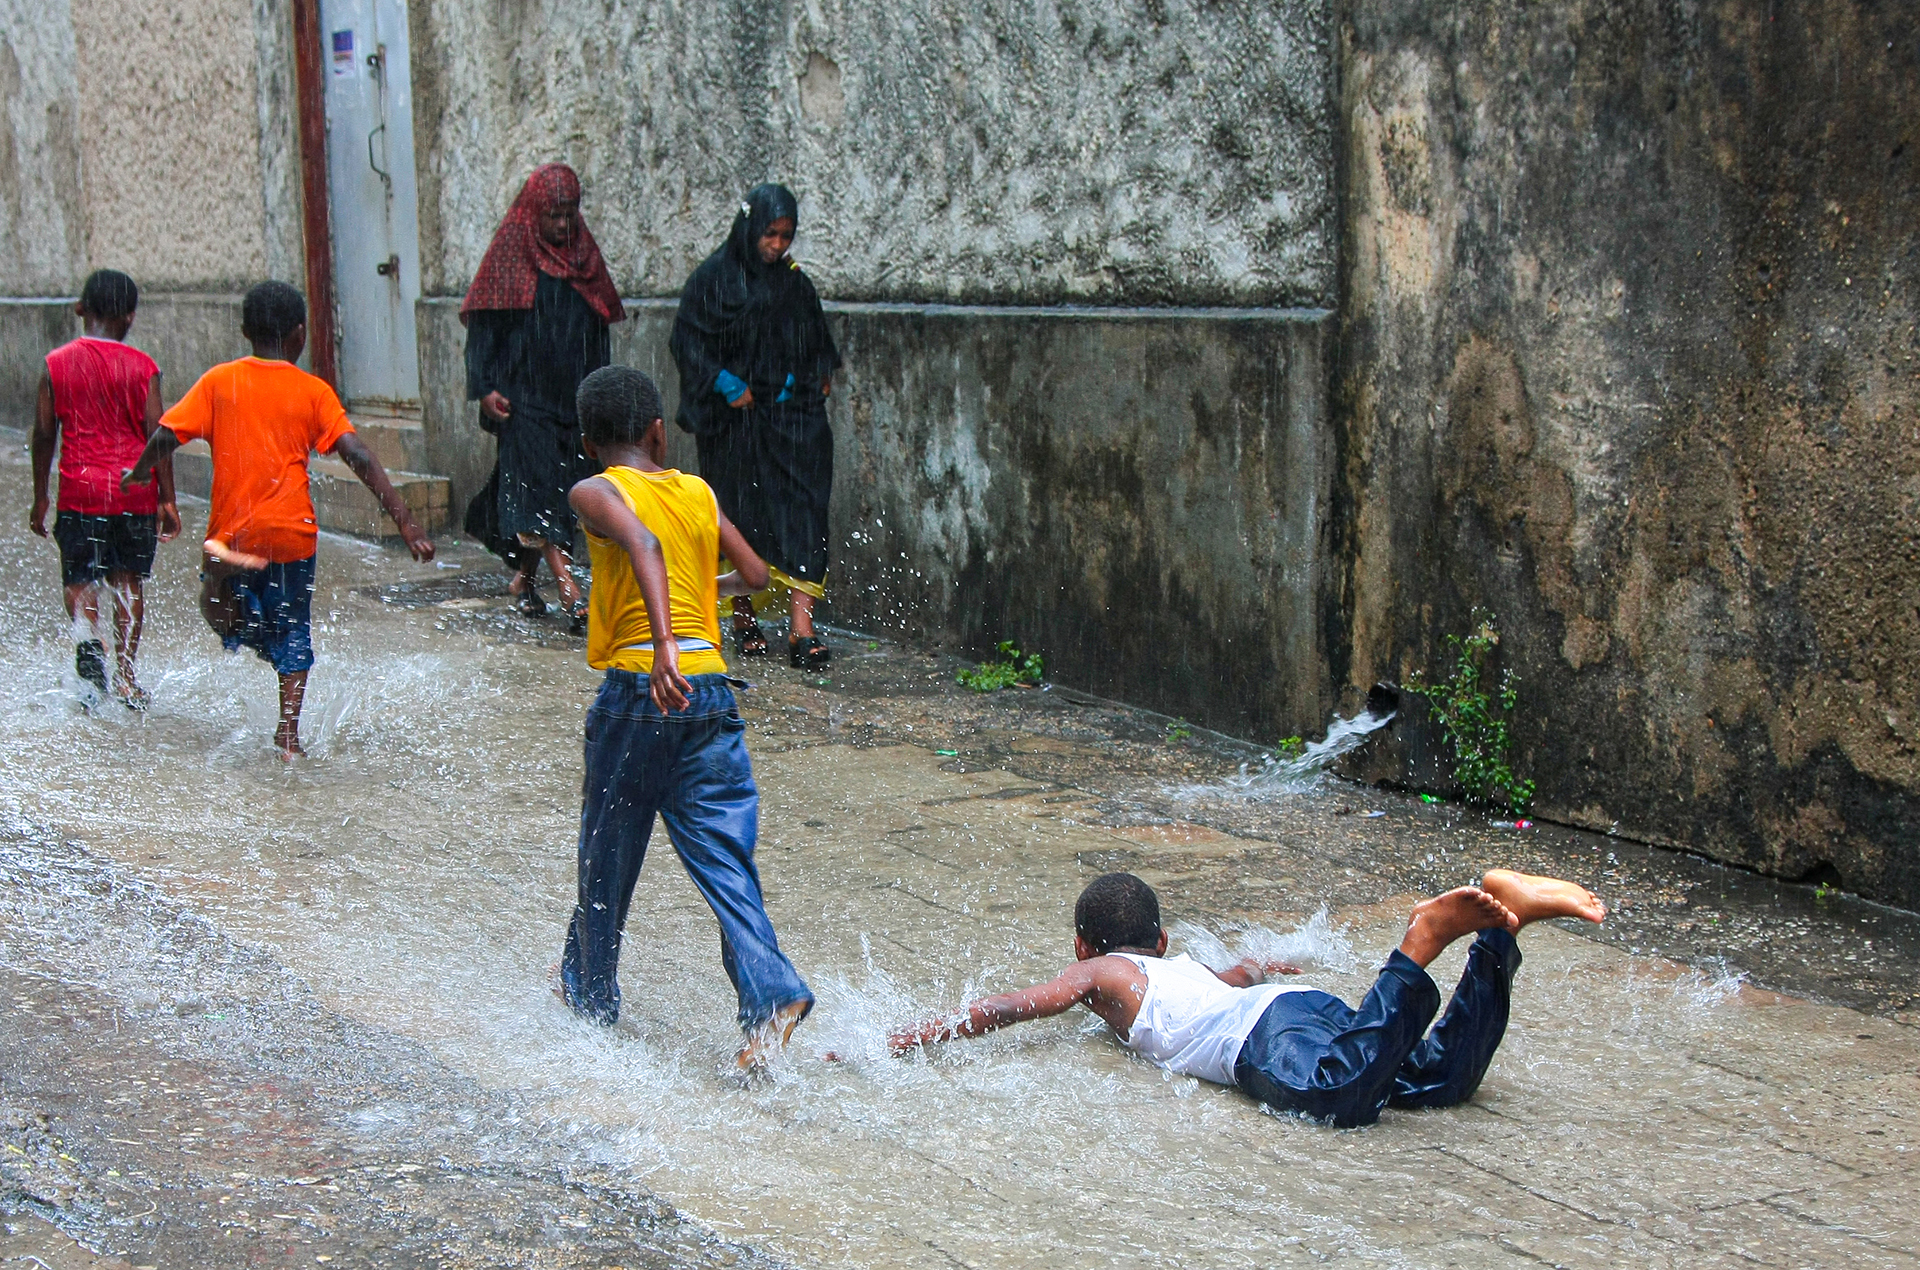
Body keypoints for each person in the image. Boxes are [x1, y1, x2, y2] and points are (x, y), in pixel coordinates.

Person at [889, 869, 1607, 1128]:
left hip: (1263, 1042)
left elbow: (1019, 1004)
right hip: (1299, 1005)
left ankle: (1421, 942)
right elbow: (1252, 968)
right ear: (1164, 940)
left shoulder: (1104, 975)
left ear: (1085, 948)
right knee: (1431, 1082)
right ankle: (1501, 931)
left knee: (1338, 1099)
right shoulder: (1190, 969)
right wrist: (1285, 955)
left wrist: (918, 1035)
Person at [558, 365, 814, 1073]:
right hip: (711, 690)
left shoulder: (594, 489)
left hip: (644, 688)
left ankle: (590, 999)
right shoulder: (697, 490)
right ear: (658, 433)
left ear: (589, 443)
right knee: (723, 858)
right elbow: (757, 577)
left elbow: (640, 544)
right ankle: (772, 994)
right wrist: (697, 604)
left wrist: (663, 642)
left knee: (607, 853)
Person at [121, 281, 435, 758]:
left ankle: (219, 579)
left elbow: (166, 434)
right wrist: (405, 520)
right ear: (299, 335)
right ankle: (288, 735)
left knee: (222, 619)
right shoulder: (312, 391)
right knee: (293, 631)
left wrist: (139, 472)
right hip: (292, 535)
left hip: (235, 530)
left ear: (245, 330)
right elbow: (357, 454)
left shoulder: (218, 381)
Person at [670, 183, 843, 670]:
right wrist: (725, 382)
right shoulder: (713, 280)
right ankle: (742, 616)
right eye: (770, 234)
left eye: (786, 235)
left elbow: (816, 342)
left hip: (790, 421)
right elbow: (687, 342)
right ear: (750, 229)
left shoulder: (793, 282)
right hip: (735, 424)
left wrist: (811, 381)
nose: (778, 245)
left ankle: (801, 628)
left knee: (805, 511)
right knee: (739, 513)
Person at [461, 162, 625, 632]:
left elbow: (599, 330)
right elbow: (484, 330)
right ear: (534, 212)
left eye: (570, 213)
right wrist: (485, 387)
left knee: (565, 489)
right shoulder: (510, 256)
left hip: (574, 403)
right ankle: (571, 591)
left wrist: (602, 397)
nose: (563, 224)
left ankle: (524, 578)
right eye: (553, 214)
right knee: (536, 488)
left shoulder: (584, 258)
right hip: (523, 399)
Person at [28, 269, 180, 708]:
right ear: (130, 317)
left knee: (81, 578)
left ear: (80, 309)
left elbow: (42, 433)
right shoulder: (143, 367)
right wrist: (166, 497)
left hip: (81, 491)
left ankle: (89, 648)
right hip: (134, 492)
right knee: (128, 580)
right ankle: (128, 677)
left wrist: (41, 495)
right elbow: (159, 435)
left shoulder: (57, 363)